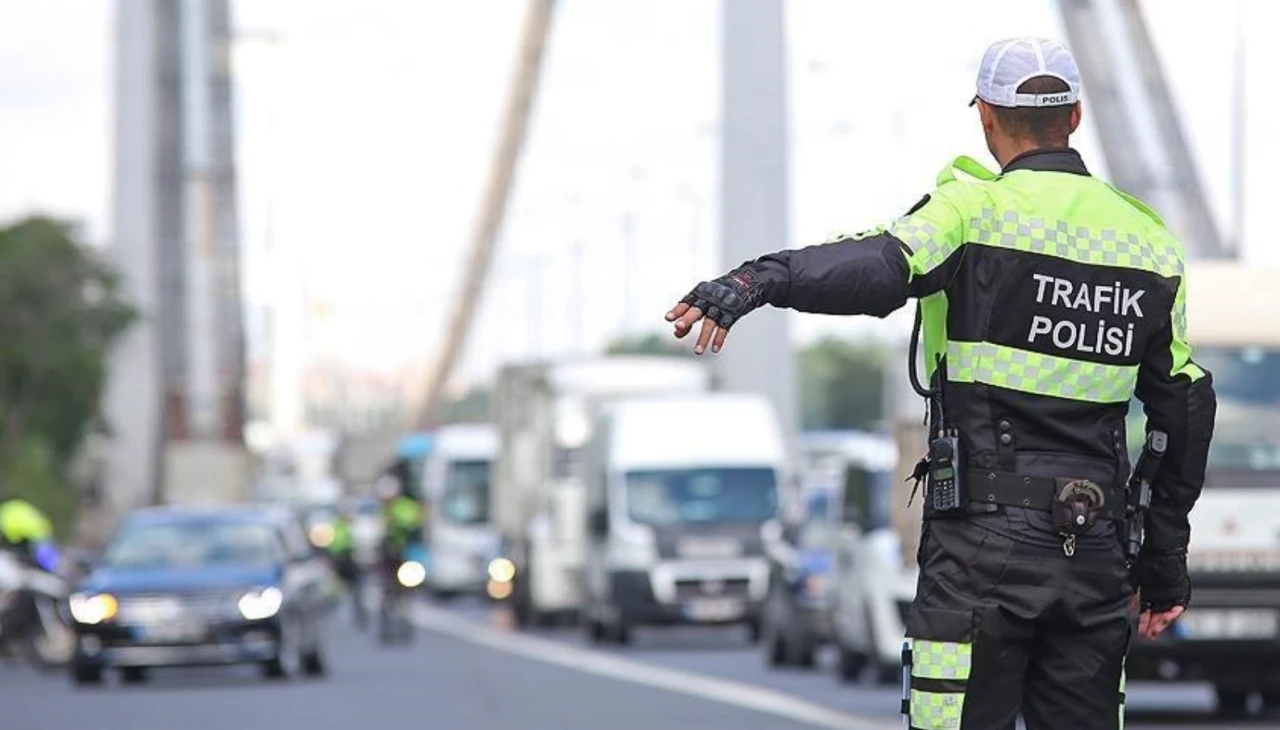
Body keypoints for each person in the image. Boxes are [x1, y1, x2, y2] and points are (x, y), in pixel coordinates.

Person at [665, 37, 1216, 730]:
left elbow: (876, 266)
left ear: (986, 116)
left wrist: (756, 281)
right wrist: (1163, 562)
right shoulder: (1150, 244)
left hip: (981, 552)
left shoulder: (971, 211)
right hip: (1095, 552)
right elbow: (1186, 407)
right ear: (1075, 117)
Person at [327, 502, 366, 628]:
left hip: (354, 561)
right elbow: (333, 545)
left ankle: (359, 613)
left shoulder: (357, 526)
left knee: (357, 587)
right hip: (342, 560)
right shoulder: (336, 526)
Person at [0, 498, 56, 570]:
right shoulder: (15, 505)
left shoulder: (4, 511)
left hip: (29, 535)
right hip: (43, 530)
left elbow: (9, 532)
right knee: (47, 561)